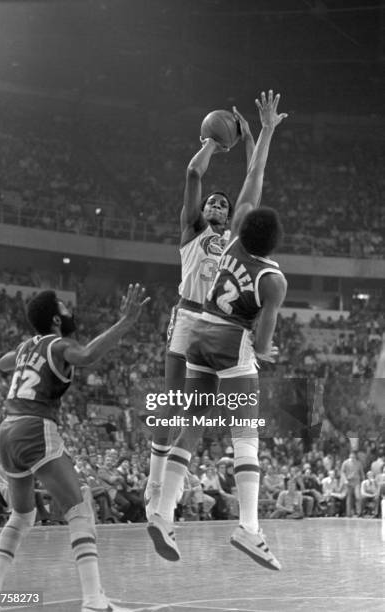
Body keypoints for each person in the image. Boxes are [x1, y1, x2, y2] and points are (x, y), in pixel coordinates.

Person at [147, 90, 287, 571]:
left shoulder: (229, 244)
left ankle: (163, 512)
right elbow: (265, 343)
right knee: (245, 434)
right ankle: (249, 529)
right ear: (275, 242)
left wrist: (264, 132)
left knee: (192, 423)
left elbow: (253, 178)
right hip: (230, 341)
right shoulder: (272, 277)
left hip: (199, 333)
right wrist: (263, 350)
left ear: (243, 226)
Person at [0, 284, 149, 612]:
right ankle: (93, 601)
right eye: (65, 309)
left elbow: (2, 363)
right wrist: (125, 323)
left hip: (6, 431)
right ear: (56, 318)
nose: (71, 314)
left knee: (22, 516)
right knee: (79, 509)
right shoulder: (59, 345)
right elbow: (86, 356)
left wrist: (24, 354)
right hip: (34, 427)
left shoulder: (28, 346)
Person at [144, 105, 256, 520]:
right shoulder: (192, 228)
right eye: (211, 202)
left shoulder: (233, 242)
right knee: (171, 402)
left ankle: (170, 488)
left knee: (197, 409)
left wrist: (249, 143)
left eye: (221, 205)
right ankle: (155, 483)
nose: (215, 205)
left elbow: (251, 187)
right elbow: (194, 174)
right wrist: (212, 140)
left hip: (217, 326)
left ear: (228, 216)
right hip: (187, 316)